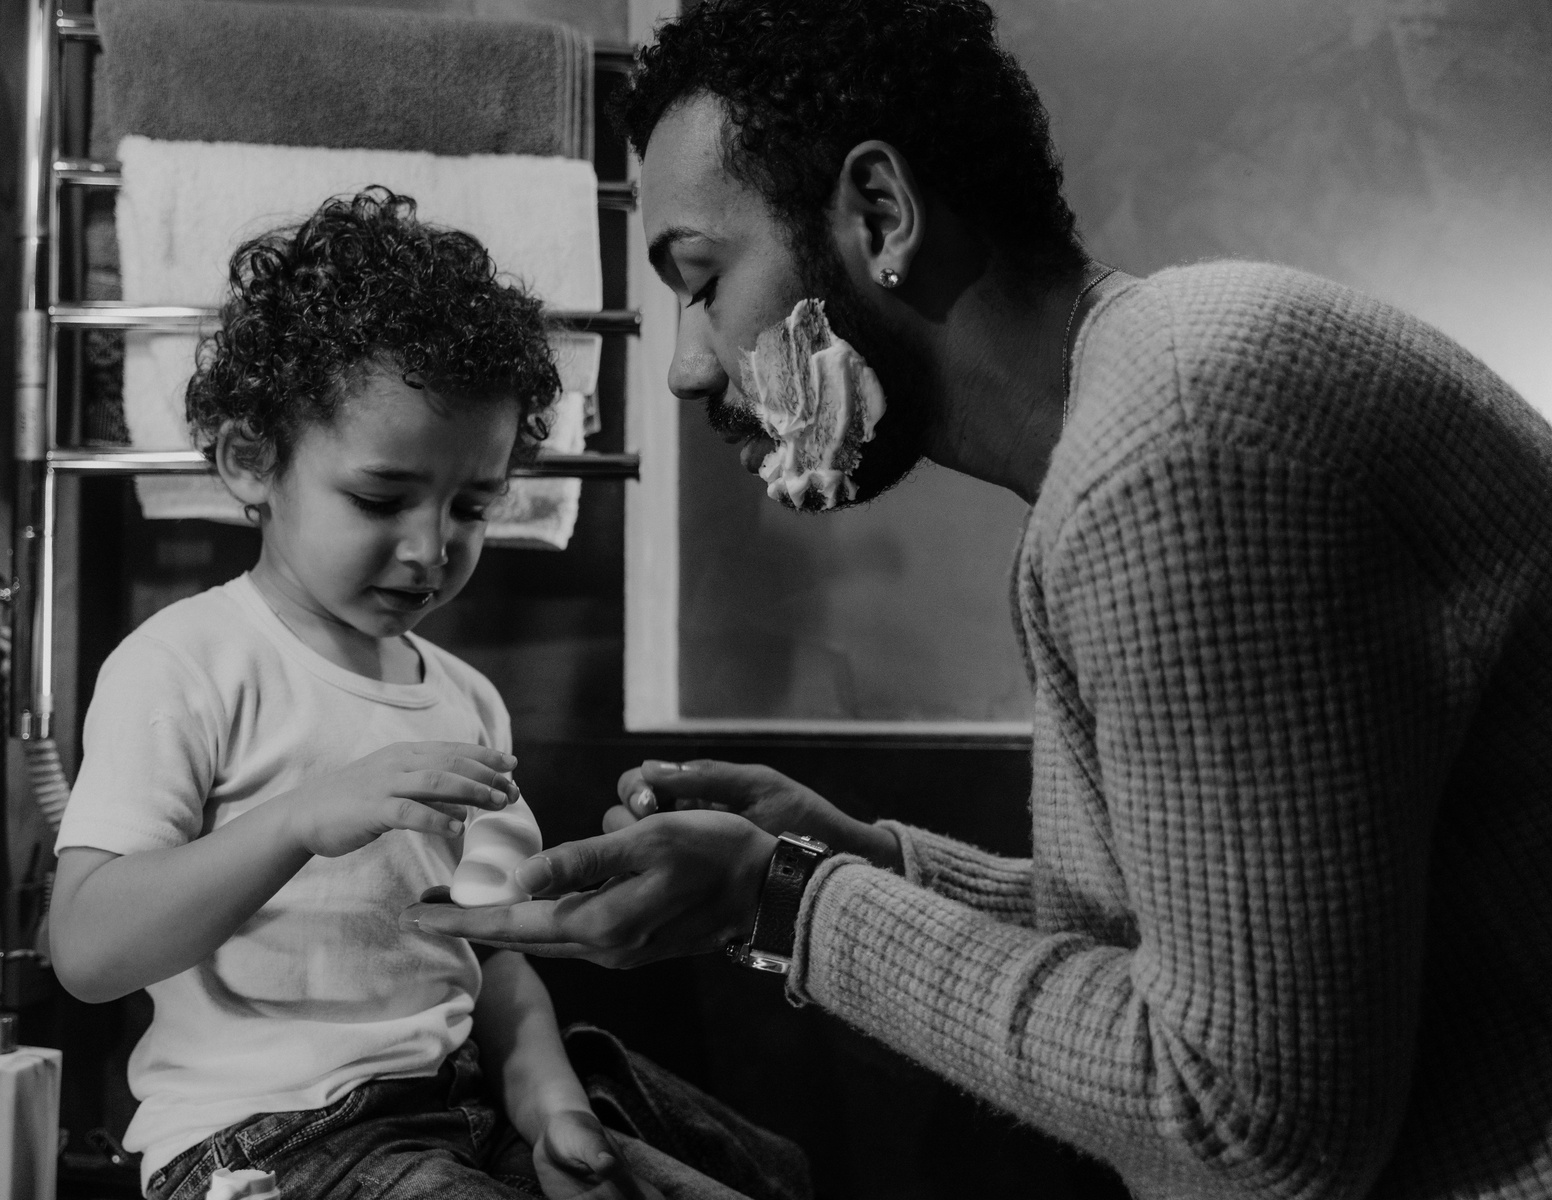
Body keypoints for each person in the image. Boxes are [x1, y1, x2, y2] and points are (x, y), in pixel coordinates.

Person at [404, 3, 1552, 1198]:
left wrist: (785, 898)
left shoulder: (1179, 457)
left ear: (881, 213)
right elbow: (1208, 949)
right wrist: (859, 862)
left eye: (704, 279)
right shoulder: (1168, 393)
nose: (692, 364)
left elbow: (1249, 1133)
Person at [47, 190, 803, 1200]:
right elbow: (89, 950)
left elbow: (486, 964)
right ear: (251, 462)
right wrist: (300, 821)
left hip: (456, 1105)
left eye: (472, 505)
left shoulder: (466, 703)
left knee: (753, 1173)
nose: (430, 547)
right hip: (267, 1140)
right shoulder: (187, 664)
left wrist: (552, 1109)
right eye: (380, 498)